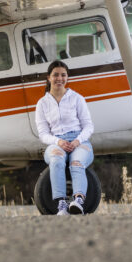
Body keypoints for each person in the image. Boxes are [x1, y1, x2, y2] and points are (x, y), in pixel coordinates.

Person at [35, 60, 94, 215]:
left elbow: (88, 126)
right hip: (56, 141)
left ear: (67, 77)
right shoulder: (42, 103)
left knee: (76, 162)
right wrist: (58, 142)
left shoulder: (77, 98)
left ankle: (78, 201)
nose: (59, 78)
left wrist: (77, 141)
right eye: (55, 75)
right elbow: (43, 134)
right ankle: (61, 205)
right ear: (48, 78)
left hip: (79, 140)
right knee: (56, 160)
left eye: (63, 75)